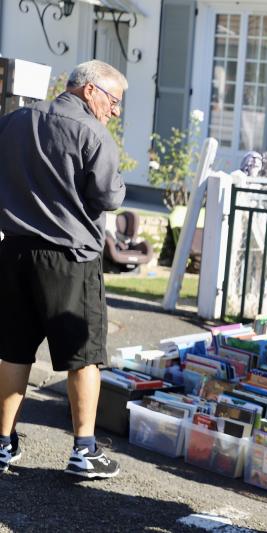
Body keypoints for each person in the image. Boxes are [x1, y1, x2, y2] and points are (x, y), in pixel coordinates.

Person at [0, 60, 127, 478]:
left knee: (14, 350)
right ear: (90, 90)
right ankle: (85, 450)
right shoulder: (92, 132)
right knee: (83, 356)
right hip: (69, 256)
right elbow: (109, 196)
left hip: (15, 250)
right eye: (113, 100)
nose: (115, 110)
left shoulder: (15, 120)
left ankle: (2, 442)